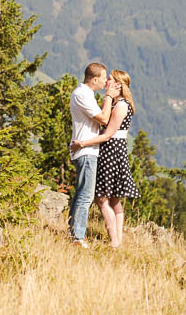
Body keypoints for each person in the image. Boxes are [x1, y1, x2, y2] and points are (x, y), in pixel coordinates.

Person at [71, 69, 139, 248]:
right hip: (109, 151)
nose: (106, 82)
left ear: (118, 84)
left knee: (103, 198)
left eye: (109, 79)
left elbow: (108, 135)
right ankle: (116, 241)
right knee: (113, 199)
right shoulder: (114, 103)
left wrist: (83, 143)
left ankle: (115, 241)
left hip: (112, 152)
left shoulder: (121, 105)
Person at [66, 62, 120, 248]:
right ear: (95, 79)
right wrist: (109, 97)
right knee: (86, 195)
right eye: (103, 78)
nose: (105, 81)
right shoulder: (82, 94)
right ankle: (77, 237)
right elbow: (104, 119)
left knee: (81, 192)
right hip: (86, 152)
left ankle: (73, 232)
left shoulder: (84, 94)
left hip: (87, 150)